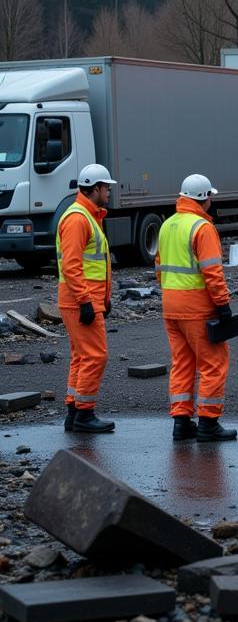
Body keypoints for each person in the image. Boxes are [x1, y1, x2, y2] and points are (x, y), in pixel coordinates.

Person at [156, 174, 237, 442]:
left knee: (182, 363)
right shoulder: (202, 228)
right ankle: (208, 422)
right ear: (203, 197)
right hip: (198, 308)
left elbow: (158, 268)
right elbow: (212, 272)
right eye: (210, 195)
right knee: (213, 363)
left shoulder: (167, 225)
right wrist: (222, 304)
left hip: (171, 305)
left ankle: (181, 423)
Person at [56, 164, 118, 433]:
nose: (108, 192)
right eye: (106, 188)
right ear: (95, 188)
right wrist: (85, 302)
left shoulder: (86, 216)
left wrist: (104, 298)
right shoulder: (78, 219)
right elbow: (71, 266)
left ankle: (74, 410)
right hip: (80, 300)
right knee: (96, 356)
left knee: (82, 356)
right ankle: (84, 414)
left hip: (84, 299)